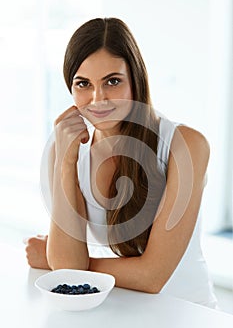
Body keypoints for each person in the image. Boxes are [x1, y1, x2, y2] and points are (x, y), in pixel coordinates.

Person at [25, 17, 218, 308]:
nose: (98, 98)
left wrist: (61, 263)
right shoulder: (65, 148)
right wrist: (66, 164)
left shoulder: (186, 145)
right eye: (83, 84)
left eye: (112, 81)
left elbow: (153, 277)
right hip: (121, 314)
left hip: (189, 316)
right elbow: (67, 266)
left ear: (135, 79)